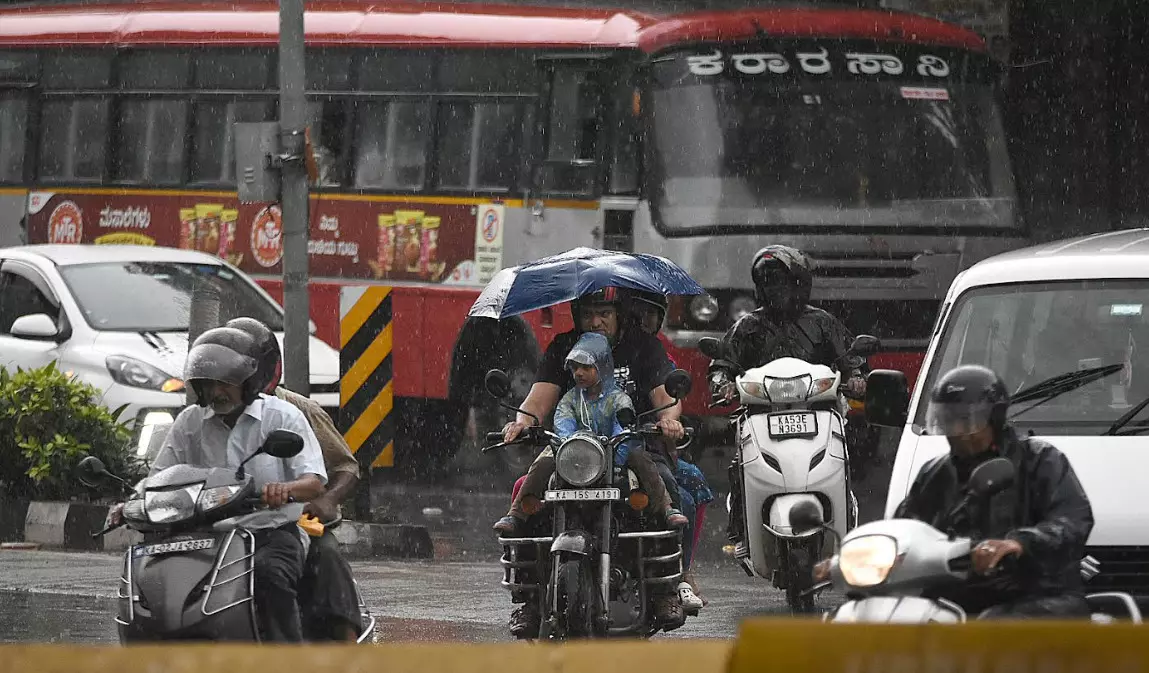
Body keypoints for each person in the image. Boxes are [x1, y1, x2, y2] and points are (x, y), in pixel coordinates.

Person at [496, 285, 687, 635]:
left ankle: (664, 590)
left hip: (631, 447)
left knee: (666, 486)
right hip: (575, 452)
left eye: (604, 313)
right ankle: (530, 600)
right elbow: (539, 402)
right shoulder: (563, 349)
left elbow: (665, 397)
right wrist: (521, 423)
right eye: (588, 314)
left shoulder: (643, 346)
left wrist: (668, 421)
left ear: (619, 315)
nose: (595, 321)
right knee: (528, 490)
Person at [150, 326, 328, 641]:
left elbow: (313, 482)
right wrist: (132, 504)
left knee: (269, 575)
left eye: (225, 383)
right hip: (204, 534)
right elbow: (159, 478)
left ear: (247, 384)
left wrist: (285, 490)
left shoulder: (283, 417)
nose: (216, 392)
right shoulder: (190, 423)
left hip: (269, 533)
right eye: (208, 384)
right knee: (158, 581)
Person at [880, 365, 1093, 618]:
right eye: (948, 420)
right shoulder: (935, 473)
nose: (956, 431)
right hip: (955, 595)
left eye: (966, 420)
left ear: (995, 419)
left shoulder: (1041, 461)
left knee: (995, 623)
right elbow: (904, 526)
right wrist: (856, 558)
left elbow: (1071, 520)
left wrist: (1019, 544)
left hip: (1039, 593)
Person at [708, 245, 867, 549]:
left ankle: (845, 516)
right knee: (737, 464)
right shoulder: (747, 326)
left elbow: (850, 360)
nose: (774, 289)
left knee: (846, 455)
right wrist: (722, 383)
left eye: (781, 281)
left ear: (800, 284)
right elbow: (723, 364)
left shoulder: (823, 323)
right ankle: (741, 529)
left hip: (818, 411)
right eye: (767, 282)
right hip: (760, 415)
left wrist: (856, 379)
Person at [225, 317, 363, 641]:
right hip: (229, 524)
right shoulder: (206, 417)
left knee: (325, 556)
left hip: (296, 521)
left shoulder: (298, 410)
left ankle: (344, 642)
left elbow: (347, 466)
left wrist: (325, 499)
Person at [495, 332, 687, 532]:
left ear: (603, 367)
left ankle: (667, 508)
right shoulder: (570, 400)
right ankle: (515, 514)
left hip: (613, 450)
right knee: (542, 461)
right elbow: (563, 424)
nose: (579, 373)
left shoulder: (618, 399)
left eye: (586, 367)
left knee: (641, 458)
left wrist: (613, 455)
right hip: (574, 454)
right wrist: (570, 446)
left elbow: (623, 425)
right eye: (575, 367)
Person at [628, 289, 712, 610]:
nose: (646, 320)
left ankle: (682, 571)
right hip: (610, 447)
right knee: (684, 497)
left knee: (695, 487)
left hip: (652, 443)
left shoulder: (654, 352)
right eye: (640, 312)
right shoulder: (593, 353)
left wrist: (669, 422)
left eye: (654, 313)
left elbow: (669, 400)